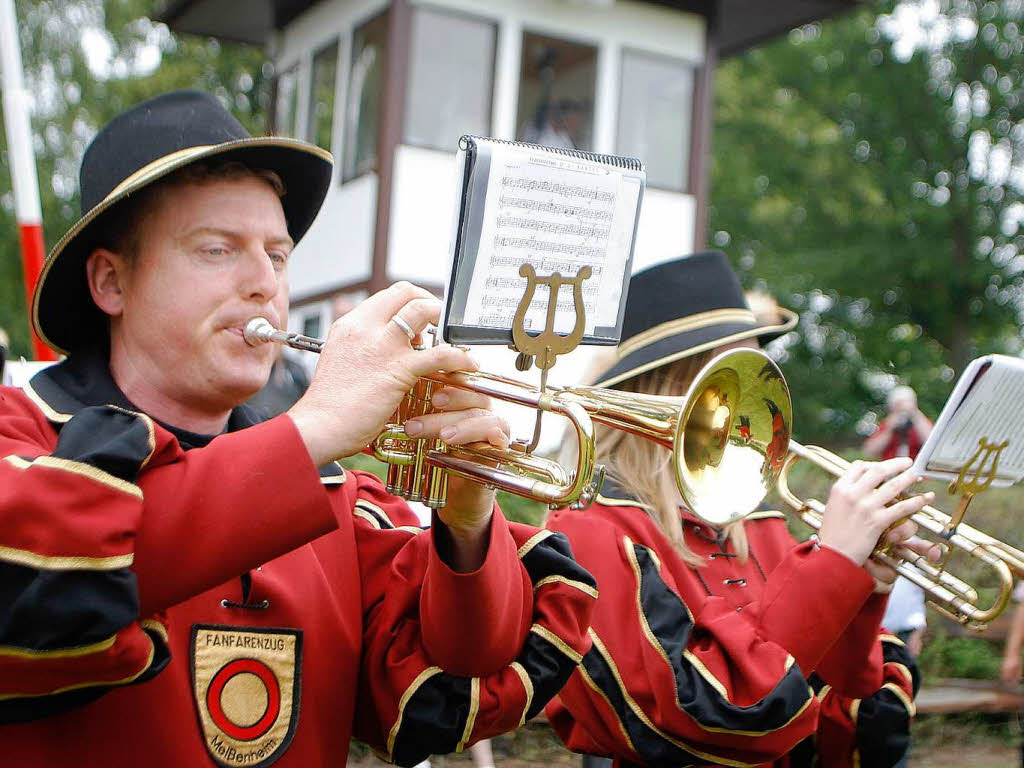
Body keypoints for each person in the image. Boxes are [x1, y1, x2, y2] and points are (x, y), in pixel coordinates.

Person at [0, 90, 597, 766]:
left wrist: (466, 517)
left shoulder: (341, 499)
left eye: (278, 256)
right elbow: (44, 576)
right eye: (218, 250)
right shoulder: (19, 438)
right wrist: (310, 428)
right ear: (111, 282)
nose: (264, 284)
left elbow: (468, 662)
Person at [544, 251, 936, 768]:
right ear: (664, 388)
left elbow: (850, 733)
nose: (755, 402)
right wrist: (832, 566)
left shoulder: (762, 526)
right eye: (733, 380)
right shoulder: (592, 530)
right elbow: (695, 719)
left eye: (760, 376)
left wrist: (863, 587)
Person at [863, 385, 933, 461]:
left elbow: (932, 443)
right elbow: (869, 452)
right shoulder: (887, 424)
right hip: (890, 469)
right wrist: (889, 430)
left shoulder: (922, 422)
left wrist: (915, 415)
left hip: (914, 468)